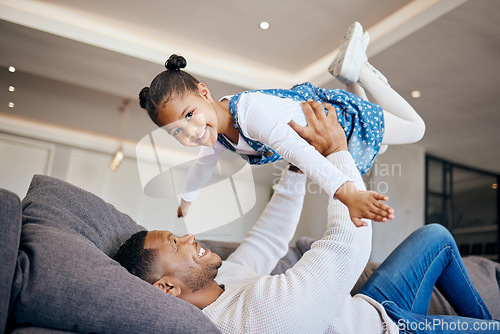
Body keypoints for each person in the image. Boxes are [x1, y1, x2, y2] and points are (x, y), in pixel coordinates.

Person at [114, 100, 498, 333]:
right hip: (392, 331)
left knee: (435, 237)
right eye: (176, 244)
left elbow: (266, 241)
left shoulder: (221, 279)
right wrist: (335, 150)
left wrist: (297, 168)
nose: (190, 237)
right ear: (167, 288)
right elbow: (348, 245)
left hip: (368, 306)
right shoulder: (255, 322)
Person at [138, 21, 425, 226]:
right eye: (176, 131)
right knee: (382, 146)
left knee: (415, 129)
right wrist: (186, 202)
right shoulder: (219, 135)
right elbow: (201, 168)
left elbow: (300, 154)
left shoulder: (250, 115)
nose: (190, 132)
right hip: (332, 133)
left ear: (204, 92)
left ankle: (360, 70)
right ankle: (350, 77)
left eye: (189, 115)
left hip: (338, 121)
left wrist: (348, 193)